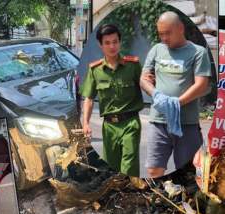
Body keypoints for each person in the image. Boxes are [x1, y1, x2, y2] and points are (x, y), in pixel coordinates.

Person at [140, 11, 212, 178]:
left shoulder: (198, 52)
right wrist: (156, 94)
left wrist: (176, 103)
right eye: (161, 34)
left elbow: (201, 85)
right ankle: (159, 202)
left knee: (189, 172)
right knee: (153, 170)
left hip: (187, 123)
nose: (164, 38)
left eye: (168, 33)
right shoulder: (157, 50)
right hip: (158, 122)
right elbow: (143, 79)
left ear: (180, 28)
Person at [80, 24, 144, 177]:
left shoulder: (133, 66)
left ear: (120, 42)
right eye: (107, 43)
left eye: (115, 42)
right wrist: (86, 123)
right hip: (109, 127)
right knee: (111, 168)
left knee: (128, 167)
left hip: (130, 123)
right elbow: (88, 98)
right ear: (101, 45)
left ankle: (132, 195)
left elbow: (147, 85)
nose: (112, 46)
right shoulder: (95, 70)